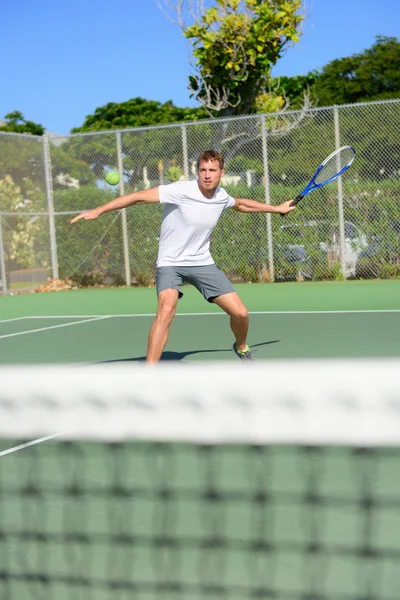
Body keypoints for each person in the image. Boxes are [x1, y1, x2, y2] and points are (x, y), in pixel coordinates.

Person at [71, 150, 295, 363]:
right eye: (203, 170)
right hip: (171, 262)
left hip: (201, 263)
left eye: (212, 170)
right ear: (197, 171)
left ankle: (242, 346)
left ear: (221, 173)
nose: (207, 175)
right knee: (166, 309)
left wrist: (276, 209)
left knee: (241, 313)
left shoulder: (221, 196)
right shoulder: (180, 190)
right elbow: (138, 197)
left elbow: (241, 204)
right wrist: (99, 210)